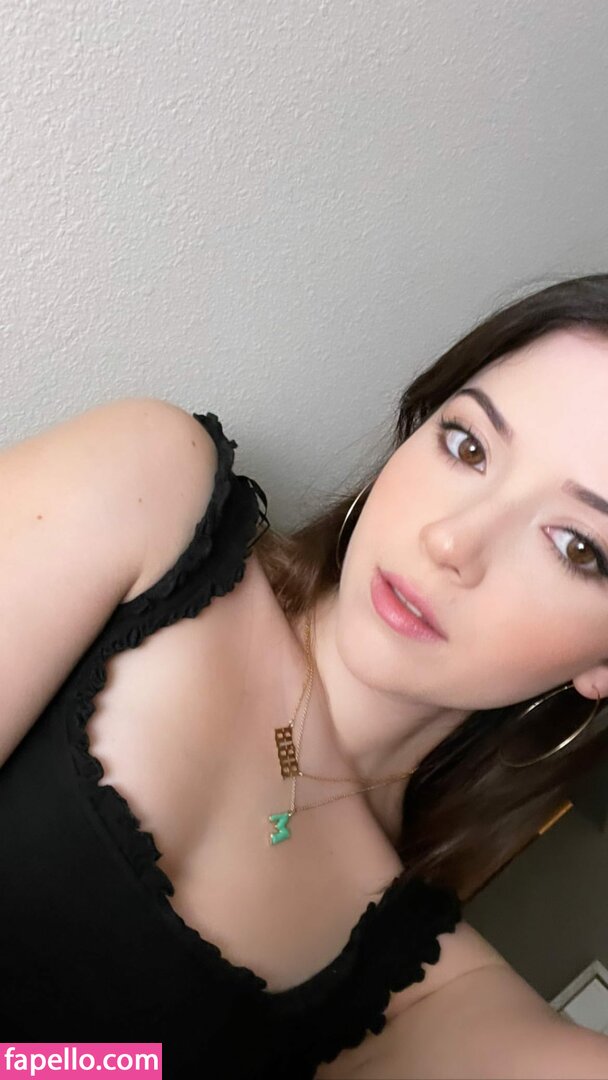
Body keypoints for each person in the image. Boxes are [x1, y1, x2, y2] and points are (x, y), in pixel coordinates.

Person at [2, 274, 608, 1079]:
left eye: (576, 546)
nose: (454, 543)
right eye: (468, 445)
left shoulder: (425, 1005)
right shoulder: (149, 491)